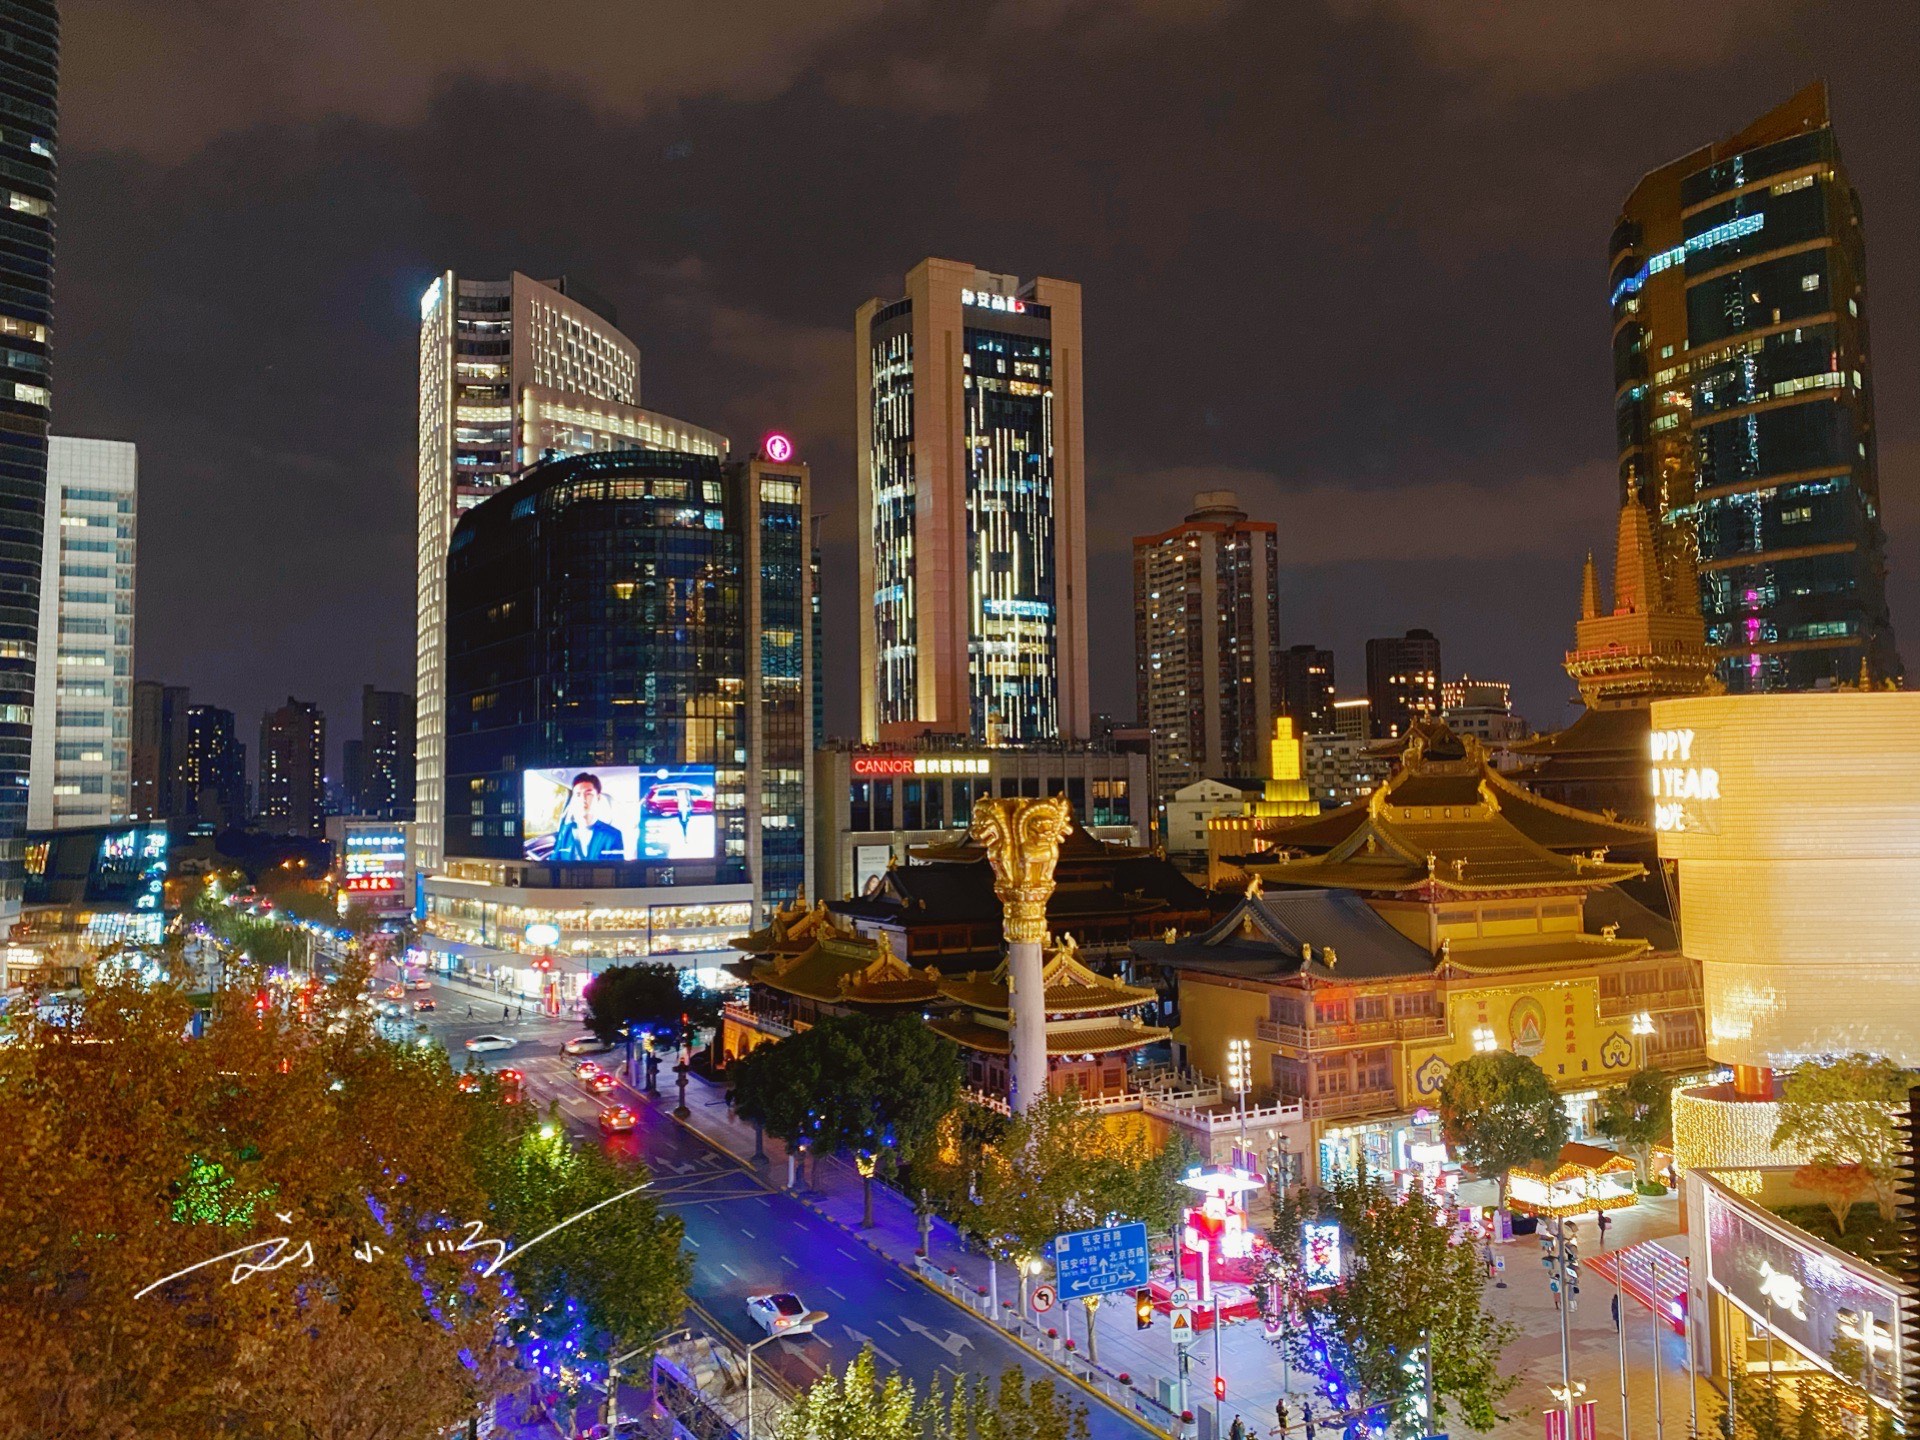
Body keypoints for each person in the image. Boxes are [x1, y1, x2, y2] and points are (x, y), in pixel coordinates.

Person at [548, 772, 627, 862]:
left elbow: (615, 871)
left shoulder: (613, 835)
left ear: (598, 797)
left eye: (588, 794)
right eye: (578, 795)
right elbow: (553, 863)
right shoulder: (565, 831)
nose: (583, 799)